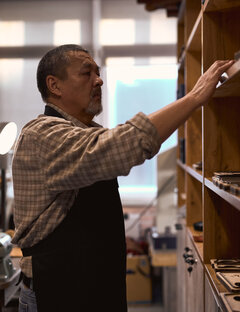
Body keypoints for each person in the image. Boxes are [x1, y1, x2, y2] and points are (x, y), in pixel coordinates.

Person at [12, 44, 234, 312]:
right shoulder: (42, 135)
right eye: (87, 73)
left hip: (92, 288)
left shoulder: (86, 133)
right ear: (54, 85)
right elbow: (122, 144)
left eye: (99, 72)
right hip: (58, 292)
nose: (99, 80)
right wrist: (194, 97)